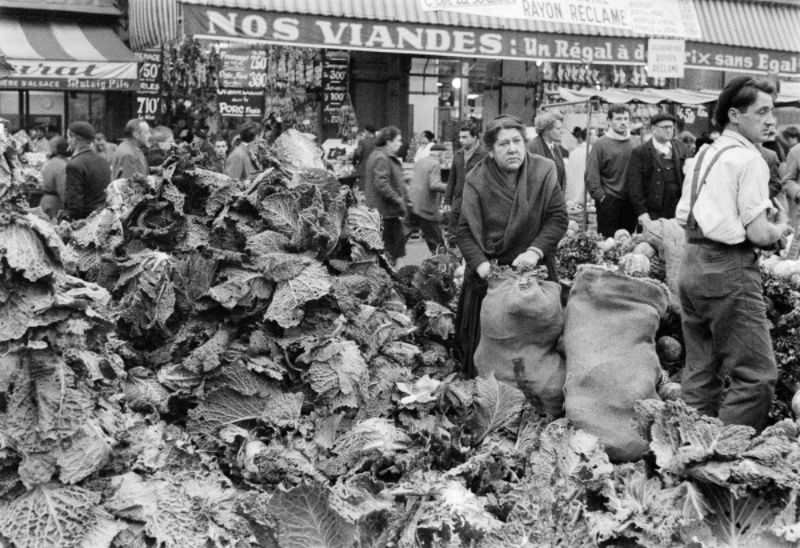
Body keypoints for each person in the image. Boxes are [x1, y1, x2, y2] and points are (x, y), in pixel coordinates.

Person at [675, 77, 792, 431]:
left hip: (691, 264)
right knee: (757, 375)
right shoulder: (749, 159)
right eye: (762, 112)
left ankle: (688, 450)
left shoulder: (705, 153)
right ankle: (723, 453)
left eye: (773, 111)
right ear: (734, 115)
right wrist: (781, 227)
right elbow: (758, 232)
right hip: (728, 267)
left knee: (700, 370)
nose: (771, 120)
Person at [455, 114, 568, 377]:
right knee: (487, 357)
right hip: (490, 278)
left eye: (517, 141)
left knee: (536, 349)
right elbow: (463, 230)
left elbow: (557, 217)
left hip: (535, 274)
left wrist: (534, 251)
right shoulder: (477, 179)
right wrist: (483, 267)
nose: (513, 149)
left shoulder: (543, 171)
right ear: (491, 151)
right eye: (503, 144)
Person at [627, 112, 687, 225]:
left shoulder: (681, 148)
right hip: (652, 212)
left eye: (671, 127)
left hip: (677, 210)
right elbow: (634, 185)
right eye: (665, 127)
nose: (669, 130)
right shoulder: (640, 152)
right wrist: (641, 212)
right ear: (654, 129)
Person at [586, 104, 637, 237]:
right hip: (609, 202)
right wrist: (601, 197)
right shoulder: (600, 144)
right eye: (618, 119)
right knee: (607, 244)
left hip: (630, 203)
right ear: (609, 121)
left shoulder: (634, 143)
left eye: (626, 119)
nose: (623, 122)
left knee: (628, 243)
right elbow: (592, 174)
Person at [363, 126, 407, 264]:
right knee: (388, 254)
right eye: (398, 140)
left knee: (388, 254)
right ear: (389, 141)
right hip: (386, 213)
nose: (400, 144)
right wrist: (398, 199)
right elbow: (382, 184)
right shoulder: (382, 157)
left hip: (384, 213)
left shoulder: (379, 155)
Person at [444, 124, 485, 237]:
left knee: (471, 234)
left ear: (475, 137)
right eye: (460, 137)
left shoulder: (484, 155)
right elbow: (452, 178)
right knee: (452, 233)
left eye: (465, 137)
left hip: (476, 202)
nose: (461, 140)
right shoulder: (458, 154)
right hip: (458, 200)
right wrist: (447, 200)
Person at [64, 121, 111, 220]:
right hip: (103, 218)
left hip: (84, 222)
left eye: (68, 137)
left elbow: (75, 205)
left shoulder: (74, 165)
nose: (67, 141)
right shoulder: (103, 161)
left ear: (74, 139)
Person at [408, 143, 448, 253]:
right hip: (426, 208)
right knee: (437, 242)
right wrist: (451, 187)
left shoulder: (421, 161)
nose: (445, 158)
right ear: (440, 153)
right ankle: (443, 264)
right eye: (445, 155)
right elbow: (434, 184)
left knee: (404, 235)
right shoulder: (435, 164)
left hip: (413, 203)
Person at [528, 111, 566, 191]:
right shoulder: (533, 147)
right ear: (547, 130)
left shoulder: (555, 148)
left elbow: (562, 176)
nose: (562, 131)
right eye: (558, 128)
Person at [39, 136, 69, 219]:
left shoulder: (51, 162)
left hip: (46, 201)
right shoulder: (61, 165)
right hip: (54, 204)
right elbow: (62, 189)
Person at [565, 127, 596, 205]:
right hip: (586, 197)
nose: (597, 137)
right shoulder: (591, 152)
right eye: (595, 135)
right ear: (589, 136)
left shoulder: (573, 152)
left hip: (572, 196)